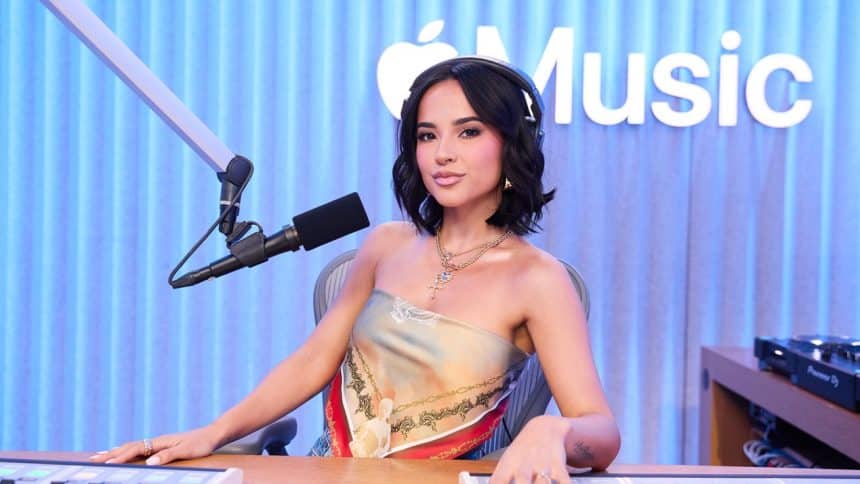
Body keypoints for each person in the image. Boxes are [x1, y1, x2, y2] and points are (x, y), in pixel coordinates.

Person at [90, 56, 620, 482]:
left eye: (468, 132)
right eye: (427, 135)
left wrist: (553, 432)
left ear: (515, 144)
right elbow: (316, 358)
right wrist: (216, 431)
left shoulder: (539, 279)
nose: (442, 154)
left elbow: (601, 432)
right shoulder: (387, 244)